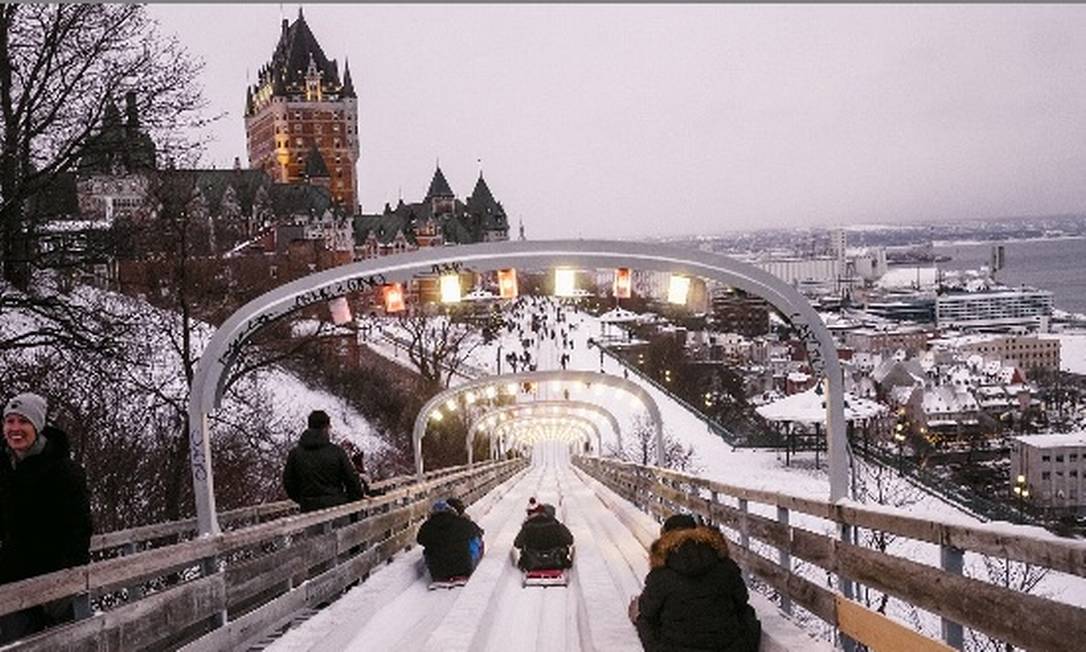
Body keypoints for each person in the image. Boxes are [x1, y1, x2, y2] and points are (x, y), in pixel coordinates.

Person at [0, 393, 92, 643]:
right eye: (10, 421)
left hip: (55, 586)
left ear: (37, 426)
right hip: (12, 584)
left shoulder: (64, 471)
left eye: (23, 422)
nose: (15, 429)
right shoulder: (5, 469)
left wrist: (64, 586)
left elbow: (80, 531)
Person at [631, 514, 761, 652]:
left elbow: (648, 611)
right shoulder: (725, 566)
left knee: (645, 619)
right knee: (746, 612)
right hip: (730, 647)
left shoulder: (661, 574)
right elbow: (741, 600)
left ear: (664, 537)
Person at [283, 410, 364, 513]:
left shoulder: (295, 454)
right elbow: (352, 481)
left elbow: (288, 482)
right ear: (326, 427)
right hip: (336, 510)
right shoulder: (337, 452)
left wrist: (303, 500)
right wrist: (349, 501)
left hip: (309, 512)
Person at [416, 500, 485, 581]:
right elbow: (476, 532)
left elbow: (420, 540)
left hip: (437, 572)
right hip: (464, 568)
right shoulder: (461, 521)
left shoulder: (426, 527)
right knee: (474, 541)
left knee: (427, 550)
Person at [513, 500, 573, 570]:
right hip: (556, 562)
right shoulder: (558, 526)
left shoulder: (527, 527)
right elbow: (570, 541)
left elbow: (517, 544)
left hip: (531, 562)